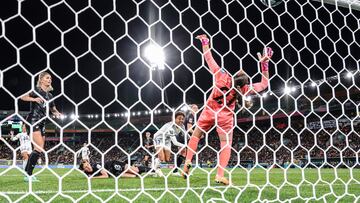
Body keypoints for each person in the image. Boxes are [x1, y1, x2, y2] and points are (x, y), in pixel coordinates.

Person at [182, 34, 273, 185]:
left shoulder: (222, 76)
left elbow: (208, 58)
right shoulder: (244, 89)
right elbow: (264, 84)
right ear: (245, 81)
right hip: (225, 117)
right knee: (225, 144)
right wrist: (264, 64)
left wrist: (205, 42)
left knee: (196, 135)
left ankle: (187, 162)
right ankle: (220, 175)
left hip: (209, 110)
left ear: (236, 75)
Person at [20, 71, 62, 182]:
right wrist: (33, 99)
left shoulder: (50, 95)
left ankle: (27, 173)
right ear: (41, 79)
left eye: (51, 78)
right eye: (47, 78)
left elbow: (53, 109)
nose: (50, 80)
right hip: (33, 120)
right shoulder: (36, 90)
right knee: (39, 147)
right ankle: (28, 175)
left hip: (43, 122)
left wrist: (57, 113)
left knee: (39, 148)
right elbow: (23, 97)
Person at [153, 111, 186, 177]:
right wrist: (186, 146)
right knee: (161, 158)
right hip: (159, 138)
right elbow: (175, 142)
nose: (181, 120)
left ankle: (156, 162)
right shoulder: (170, 126)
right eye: (179, 118)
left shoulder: (182, 126)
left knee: (167, 159)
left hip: (167, 140)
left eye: (182, 119)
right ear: (174, 119)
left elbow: (186, 134)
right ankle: (156, 168)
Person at [172, 104, 199, 175]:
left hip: (184, 136)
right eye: (195, 108)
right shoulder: (191, 116)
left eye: (197, 108)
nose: (197, 109)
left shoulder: (193, 116)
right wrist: (197, 134)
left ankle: (183, 170)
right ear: (191, 109)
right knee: (185, 153)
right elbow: (189, 129)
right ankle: (176, 171)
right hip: (183, 136)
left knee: (185, 154)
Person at [79, 159, 152, 179]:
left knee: (135, 170)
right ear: (84, 170)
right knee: (134, 175)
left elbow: (105, 176)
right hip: (114, 173)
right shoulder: (86, 173)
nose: (88, 167)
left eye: (88, 164)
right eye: (86, 167)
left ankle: (154, 170)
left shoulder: (96, 166)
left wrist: (93, 178)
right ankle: (140, 174)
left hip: (113, 165)